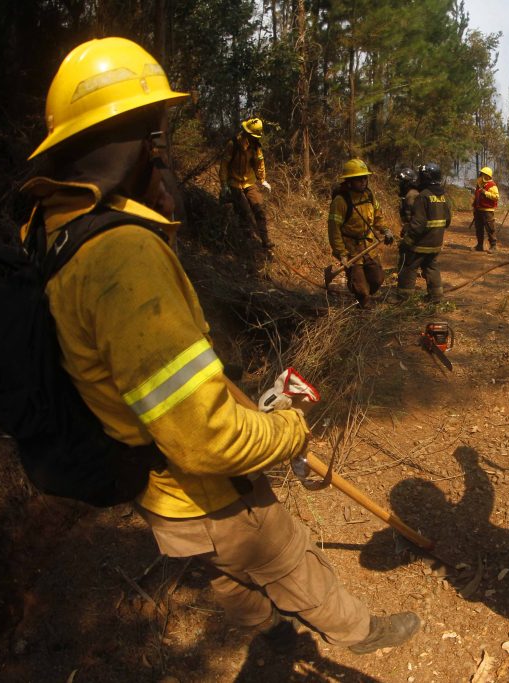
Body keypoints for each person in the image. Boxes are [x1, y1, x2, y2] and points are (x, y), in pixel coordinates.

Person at [23, 37, 419, 654]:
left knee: (219, 570)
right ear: (132, 147)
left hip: (152, 484)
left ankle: (268, 635)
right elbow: (205, 439)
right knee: (285, 555)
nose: (164, 161)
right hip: (200, 486)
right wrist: (287, 432)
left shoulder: (53, 232)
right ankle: (360, 632)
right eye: (158, 142)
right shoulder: (123, 258)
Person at [327, 158, 395, 308]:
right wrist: (341, 253)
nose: (363, 181)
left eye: (365, 178)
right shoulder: (340, 201)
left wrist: (385, 230)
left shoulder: (369, 195)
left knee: (377, 279)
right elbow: (334, 230)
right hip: (351, 249)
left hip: (368, 246)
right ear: (349, 181)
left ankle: (364, 297)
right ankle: (363, 302)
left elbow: (377, 217)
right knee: (361, 289)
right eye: (359, 179)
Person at [396, 162, 451, 302]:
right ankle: (436, 296)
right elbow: (447, 220)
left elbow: (418, 223)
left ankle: (403, 297)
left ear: (426, 177)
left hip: (421, 243)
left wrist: (407, 242)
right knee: (431, 266)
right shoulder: (442, 196)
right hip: (436, 242)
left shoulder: (423, 196)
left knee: (409, 266)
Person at [220, 117, 275, 252]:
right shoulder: (233, 144)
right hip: (234, 182)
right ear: (247, 133)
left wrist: (262, 180)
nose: (255, 138)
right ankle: (246, 243)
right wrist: (224, 184)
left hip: (249, 181)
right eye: (253, 136)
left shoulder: (256, 146)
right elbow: (224, 165)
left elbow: (259, 163)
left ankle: (265, 240)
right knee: (244, 212)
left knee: (258, 208)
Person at [472, 165, 500, 252]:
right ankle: (479, 246)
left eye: (482, 174)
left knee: (490, 229)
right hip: (478, 210)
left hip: (488, 211)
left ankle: (493, 246)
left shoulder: (492, 185)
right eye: (481, 174)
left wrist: (485, 192)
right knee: (479, 229)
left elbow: (496, 197)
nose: (480, 176)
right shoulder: (479, 185)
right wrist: (474, 207)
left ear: (487, 176)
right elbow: (477, 197)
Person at [396, 166, 420, 234]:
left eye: (402, 181)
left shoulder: (411, 195)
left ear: (407, 183)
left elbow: (412, 219)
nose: (400, 184)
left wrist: (407, 230)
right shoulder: (409, 194)